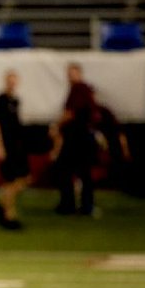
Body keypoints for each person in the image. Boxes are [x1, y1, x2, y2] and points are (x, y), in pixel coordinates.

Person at [49, 63, 100, 216]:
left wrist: (55, 126)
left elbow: (70, 113)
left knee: (64, 169)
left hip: (78, 138)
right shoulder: (82, 90)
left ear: (80, 74)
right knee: (83, 172)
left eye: (73, 73)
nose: (70, 76)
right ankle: (84, 205)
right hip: (82, 136)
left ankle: (70, 205)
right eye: (69, 73)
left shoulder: (79, 89)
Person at [0, 70, 30, 230]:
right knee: (10, 181)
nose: (12, 83)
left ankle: (0, 207)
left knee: (23, 179)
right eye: (9, 80)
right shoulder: (0, 100)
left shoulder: (16, 100)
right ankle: (9, 214)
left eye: (14, 81)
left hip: (17, 146)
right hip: (7, 146)